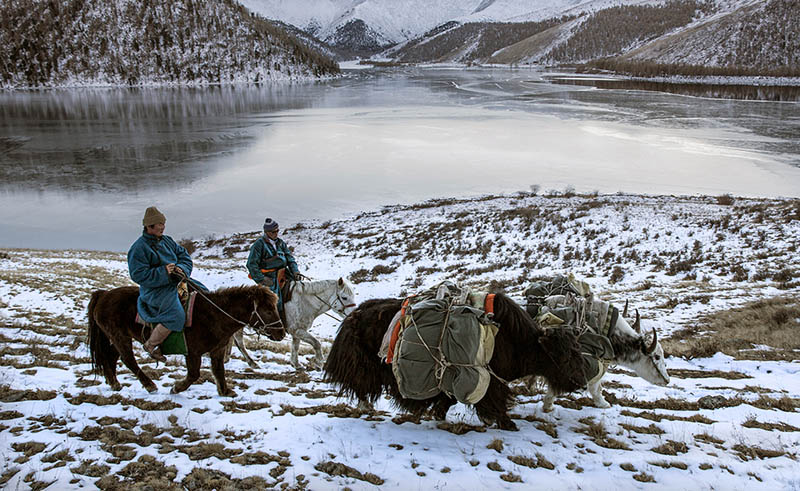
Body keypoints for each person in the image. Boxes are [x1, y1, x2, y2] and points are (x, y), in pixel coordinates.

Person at [128, 206, 207, 362]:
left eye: (163, 224)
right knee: (176, 316)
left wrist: (181, 269)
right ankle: (151, 345)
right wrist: (163, 272)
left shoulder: (167, 240)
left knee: (205, 295)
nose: (163, 227)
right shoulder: (138, 248)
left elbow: (183, 256)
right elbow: (138, 275)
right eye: (159, 224)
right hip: (156, 290)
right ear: (149, 226)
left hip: (178, 281)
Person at [246, 218, 303, 321]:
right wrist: (262, 279)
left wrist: (295, 271)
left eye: (277, 231)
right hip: (269, 278)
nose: (276, 233)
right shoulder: (258, 245)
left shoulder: (281, 243)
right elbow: (251, 264)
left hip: (284, 274)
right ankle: (278, 321)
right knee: (276, 301)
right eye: (273, 232)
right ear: (266, 232)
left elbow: (290, 258)